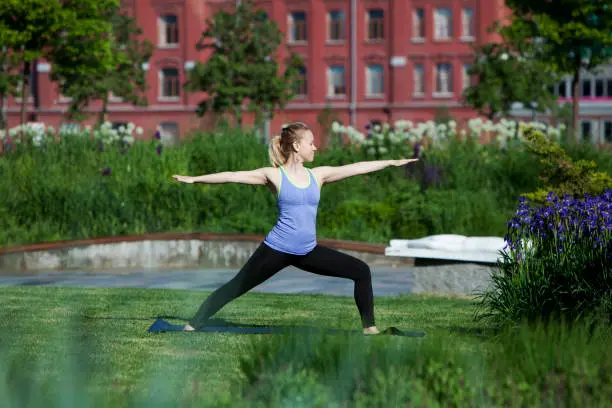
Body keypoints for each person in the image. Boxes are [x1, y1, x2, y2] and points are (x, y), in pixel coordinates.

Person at [172, 122, 418, 335]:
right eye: (311, 143)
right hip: (276, 249)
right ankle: (193, 325)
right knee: (236, 287)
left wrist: (390, 162)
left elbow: (356, 167)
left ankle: (369, 329)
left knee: (361, 270)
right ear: (297, 146)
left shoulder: (318, 175)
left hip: (307, 251)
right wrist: (195, 179)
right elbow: (232, 175)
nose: (315, 147)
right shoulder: (274, 175)